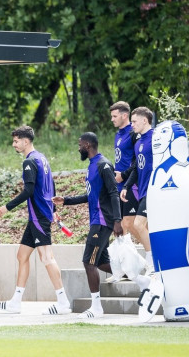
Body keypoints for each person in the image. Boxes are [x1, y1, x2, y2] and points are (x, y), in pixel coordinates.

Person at [0, 125, 71, 315]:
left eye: (16, 141)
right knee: (22, 255)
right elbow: (51, 185)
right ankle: (16, 302)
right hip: (40, 215)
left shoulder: (29, 162)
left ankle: (63, 302)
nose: (14, 144)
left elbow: (28, 191)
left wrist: (7, 207)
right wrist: (53, 210)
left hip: (38, 216)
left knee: (47, 257)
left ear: (26, 141)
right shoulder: (42, 158)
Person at [52, 132, 122, 318]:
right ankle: (135, 274)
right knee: (101, 262)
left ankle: (96, 308)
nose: (78, 147)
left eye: (80, 144)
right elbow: (91, 197)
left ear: (88, 145)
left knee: (87, 262)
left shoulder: (103, 165)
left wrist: (117, 220)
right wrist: (65, 200)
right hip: (97, 221)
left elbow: (114, 193)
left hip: (102, 222)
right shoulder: (92, 166)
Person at [120, 107, 155, 276]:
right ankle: (153, 261)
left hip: (154, 190)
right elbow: (136, 168)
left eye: (134, 122)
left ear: (144, 120)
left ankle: (152, 262)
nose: (132, 125)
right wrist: (126, 186)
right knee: (146, 227)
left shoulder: (156, 138)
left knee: (138, 224)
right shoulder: (139, 141)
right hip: (142, 190)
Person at [109, 101, 139, 283]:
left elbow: (135, 162)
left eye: (114, 116)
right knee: (120, 229)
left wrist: (125, 177)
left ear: (124, 115)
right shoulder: (118, 135)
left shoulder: (133, 134)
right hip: (118, 186)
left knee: (129, 225)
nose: (112, 119)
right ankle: (127, 268)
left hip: (130, 185)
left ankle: (146, 263)